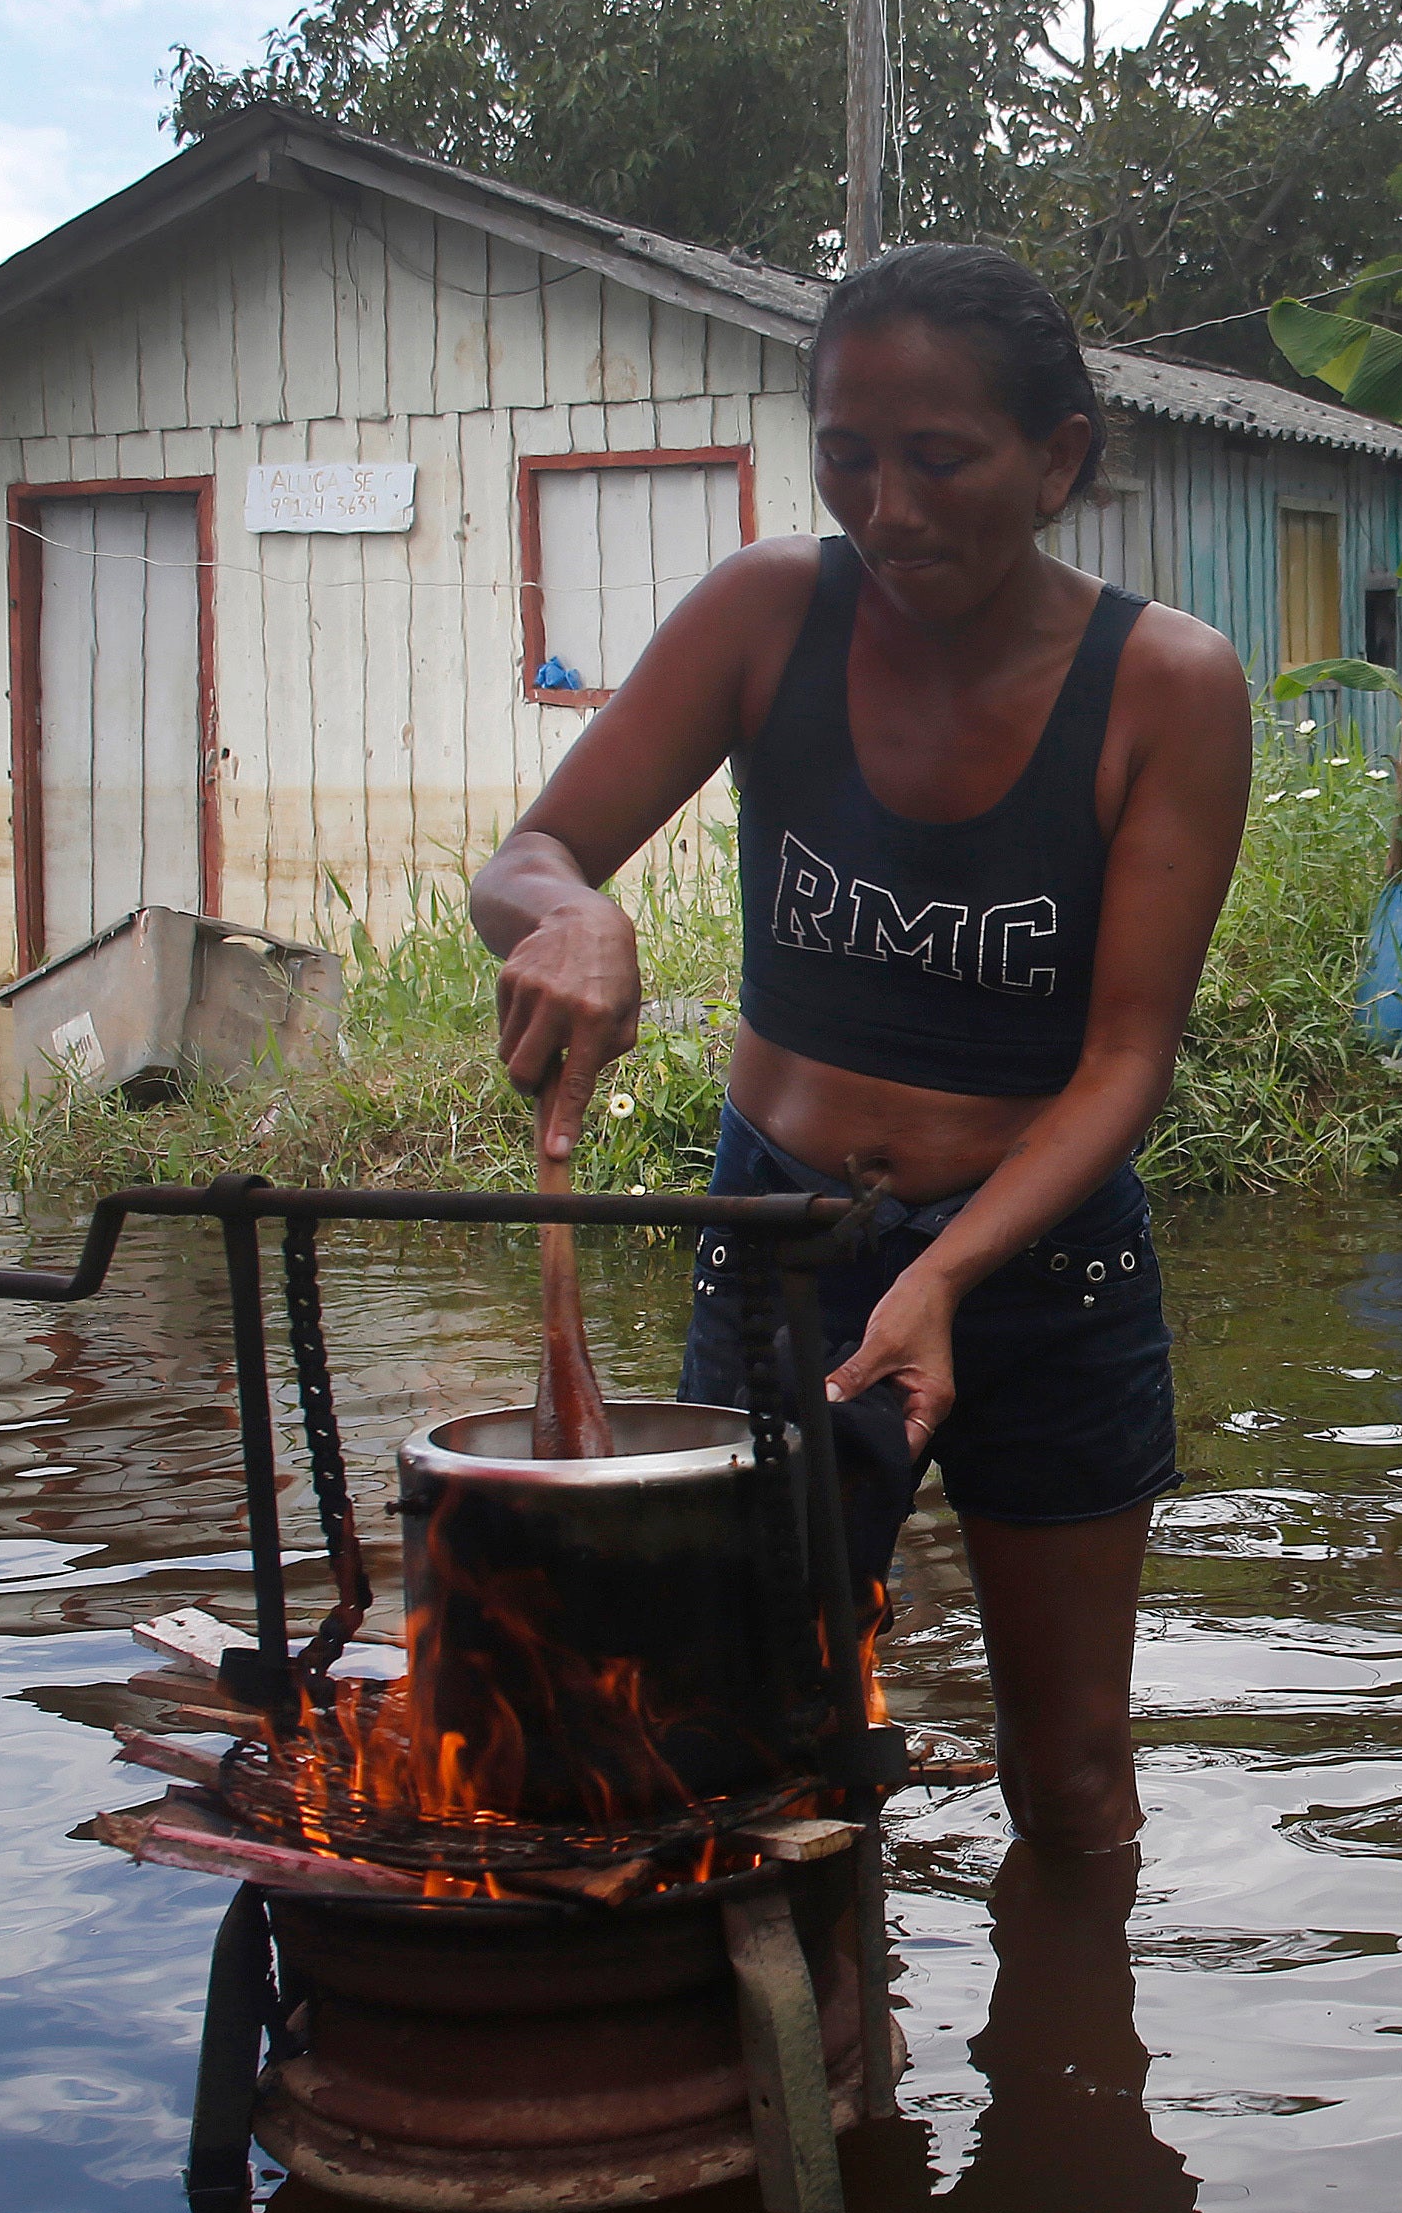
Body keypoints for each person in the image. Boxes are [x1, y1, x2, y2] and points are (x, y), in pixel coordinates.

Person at [470, 241, 1254, 1856]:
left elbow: (1123, 1061)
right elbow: (528, 854)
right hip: (781, 1247)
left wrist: (951, 1274)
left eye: (941, 457)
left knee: (1073, 1777)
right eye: (847, 454)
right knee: (750, 1746)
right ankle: (834, 2083)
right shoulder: (773, 612)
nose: (888, 509)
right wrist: (576, 919)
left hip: (1041, 1272)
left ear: (1059, 459)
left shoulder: (1164, 687)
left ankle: (1069, 2095)